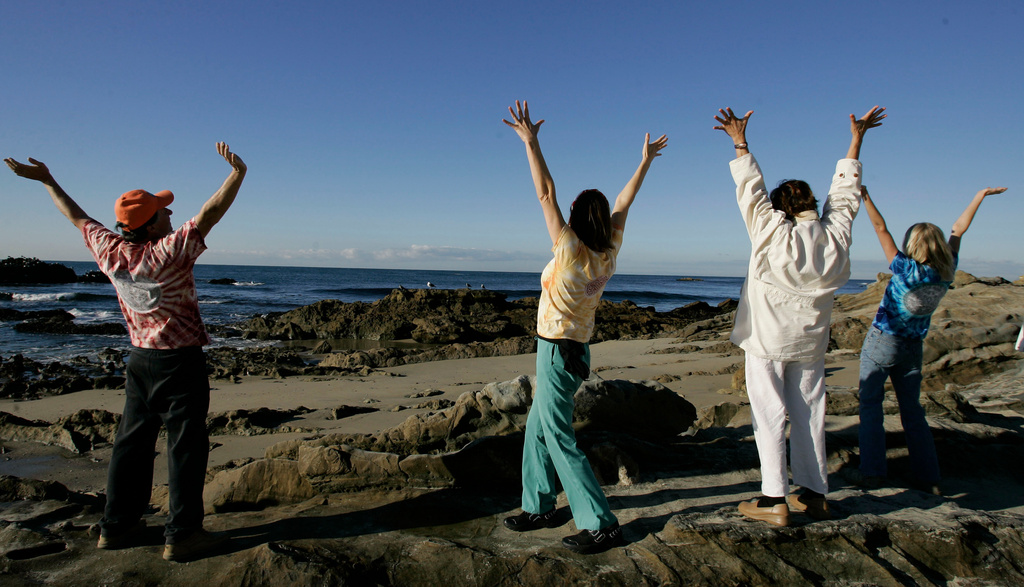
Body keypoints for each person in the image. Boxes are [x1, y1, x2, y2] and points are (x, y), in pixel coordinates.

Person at [5, 142, 247, 561]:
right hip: (179, 361)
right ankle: (183, 534)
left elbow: (76, 216)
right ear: (152, 225)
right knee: (186, 446)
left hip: (139, 361)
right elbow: (209, 215)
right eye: (165, 210)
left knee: (131, 444)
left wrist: (47, 180)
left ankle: (116, 526)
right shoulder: (167, 252)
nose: (172, 213)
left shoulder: (110, 250)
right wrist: (237, 174)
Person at [501, 100, 666, 554]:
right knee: (537, 428)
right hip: (574, 351)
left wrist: (532, 143)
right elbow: (624, 202)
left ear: (576, 217)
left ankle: (601, 522)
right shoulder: (609, 250)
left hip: (556, 351)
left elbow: (545, 193)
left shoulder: (570, 248)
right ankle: (538, 506)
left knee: (557, 435)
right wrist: (645, 162)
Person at [714, 105, 885, 526]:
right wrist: (856, 140)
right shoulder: (834, 237)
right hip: (810, 343)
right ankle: (815, 493)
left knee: (769, 414)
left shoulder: (771, 231)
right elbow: (844, 197)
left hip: (767, 341)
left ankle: (775, 499)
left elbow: (750, 190)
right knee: (810, 413)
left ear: (781, 209)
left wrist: (740, 142)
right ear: (812, 204)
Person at [857, 184, 1008, 493]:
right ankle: (928, 477)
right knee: (912, 411)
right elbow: (958, 229)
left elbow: (879, 227)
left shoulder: (905, 268)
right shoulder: (946, 269)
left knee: (870, 405)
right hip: (914, 347)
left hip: (883, 341)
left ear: (911, 244)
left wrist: (866, 197)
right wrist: (979, 196)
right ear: (939, 245)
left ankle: (873, 473)